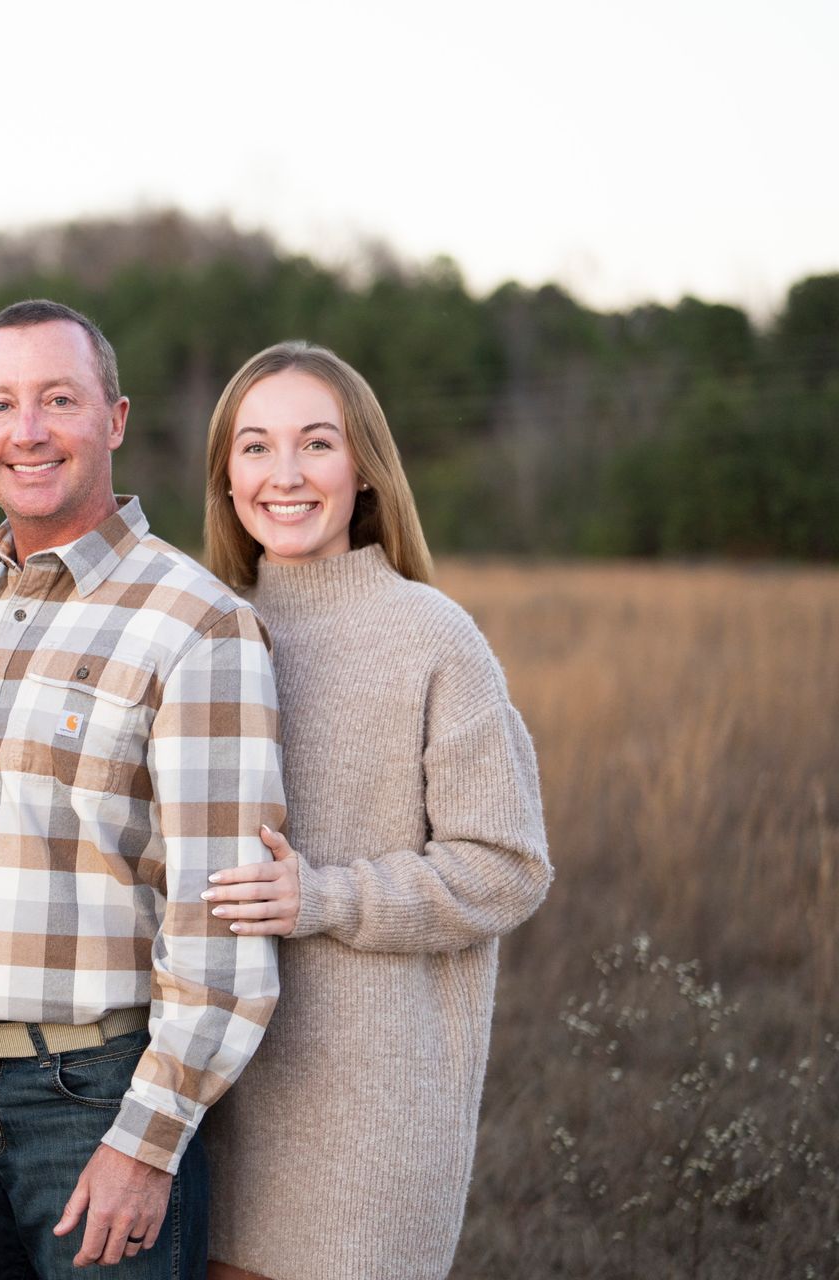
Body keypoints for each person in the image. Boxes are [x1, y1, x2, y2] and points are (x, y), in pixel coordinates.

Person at [0, 299, 285, 1278]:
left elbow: (223, 919)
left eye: (58, 399)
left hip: (96, 1101)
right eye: (1, 405)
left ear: (114, 418)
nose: (27, 430)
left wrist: (146, 1139)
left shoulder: (194, 621)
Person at [197, 341, 551, 1280]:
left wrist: (323, 897)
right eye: (254, 447)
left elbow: (507, 868)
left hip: (370, 1123)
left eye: (316, 444)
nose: (284, 475)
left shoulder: (432, 636)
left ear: (364, 471)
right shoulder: (204, 630)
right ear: (225, 476)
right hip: (216, 1103)